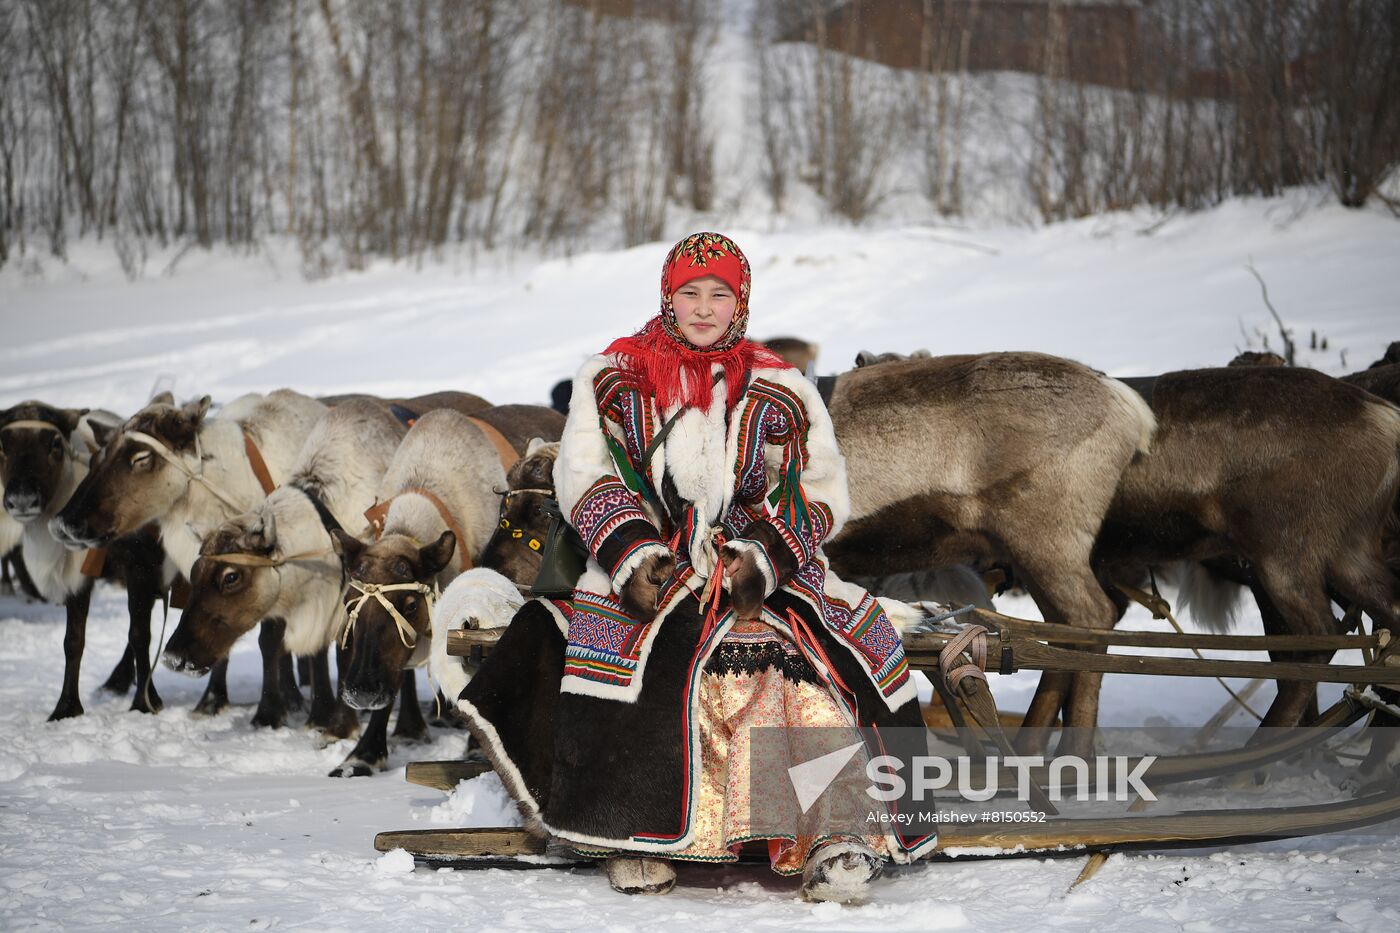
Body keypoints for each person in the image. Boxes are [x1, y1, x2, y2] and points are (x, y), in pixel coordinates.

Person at [458, 232, 935, 903]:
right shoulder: (613, 379)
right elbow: (587, 475)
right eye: (691, 292)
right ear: (668, 296)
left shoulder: (781, 389)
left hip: (753, 562)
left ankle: (834, 833)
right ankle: (631, 833)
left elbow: (820, 488)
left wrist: (763, 555)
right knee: (632, 657)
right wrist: (633, 554)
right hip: (642, 559)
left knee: (793, 654)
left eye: (720, 293)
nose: (705, 307)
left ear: (740, 302)